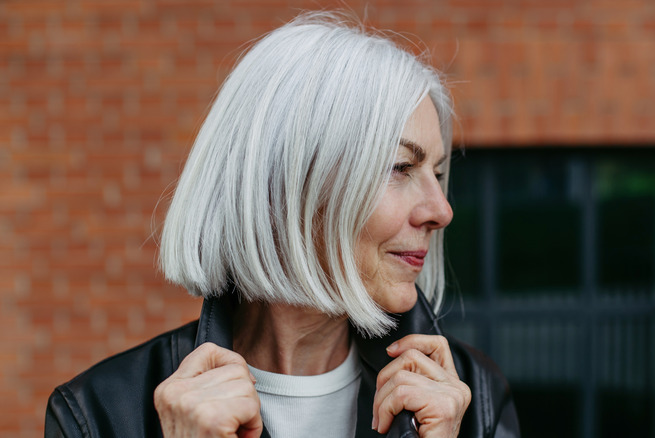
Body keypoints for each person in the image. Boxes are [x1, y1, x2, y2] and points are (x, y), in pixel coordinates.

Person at [45, 12, 520, 438]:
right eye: (399, 168)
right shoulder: (100, 413)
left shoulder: (470, 398)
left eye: (436, 174)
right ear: (293, 186)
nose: (441, 210)